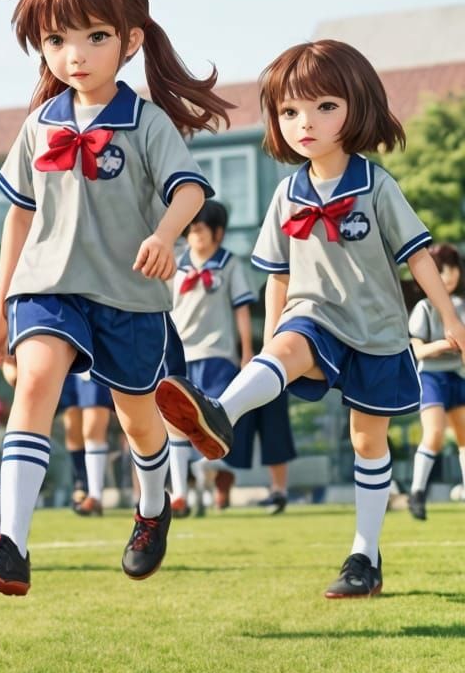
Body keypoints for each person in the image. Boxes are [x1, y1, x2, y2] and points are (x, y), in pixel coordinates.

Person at [0, 0, 229, 597]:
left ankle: (153, 507)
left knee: (138, 420)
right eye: (56, 39)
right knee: (35, 385)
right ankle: (10, 545)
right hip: (46, 287)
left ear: (130, 40)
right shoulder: (36, 128)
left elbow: (191, 193)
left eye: (94, 36)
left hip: (129, 296)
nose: (74, 53)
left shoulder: (147, 123)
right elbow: (18, 221)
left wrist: (166, 235)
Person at [156, 40, 465, 599]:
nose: (306, 123)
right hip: (312, 315)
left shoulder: (376, 186)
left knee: (367, 441)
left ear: (356, 107)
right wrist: (273, 337)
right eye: (290, 111)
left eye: (325, 107)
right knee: (289, 345)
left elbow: (418, 254)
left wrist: (450, 319)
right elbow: (276, 275)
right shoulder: (286, 193)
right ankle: (219, 413)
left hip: (375, 331)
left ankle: (363, 557)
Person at [171, 198, 295, 516]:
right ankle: (181, 494)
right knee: (176, 423)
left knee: (214, 421)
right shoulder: (176, 264)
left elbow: (242, 310)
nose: (194, 236)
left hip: (218, 355)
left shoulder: (229, 264)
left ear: (218, 233)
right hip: (181, 354)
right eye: (191, 230)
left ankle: (212, 474)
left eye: (201, 229)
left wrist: (247, 354)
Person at [406, 242, 465, 521]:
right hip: (430, 376)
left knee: (464, 437)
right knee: (435, 433)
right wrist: (445, 343)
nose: (450, 277)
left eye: (453, 271)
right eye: (444, 271)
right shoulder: (423, 309)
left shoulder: (460, 306)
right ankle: (417, 493)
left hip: (457, 376)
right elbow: (417, 351)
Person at [58, 372, 115, 515]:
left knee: (93, 424)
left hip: (96, 357)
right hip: (70, 357)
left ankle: (95, 495)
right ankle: (82, 485)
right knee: (72, 424)